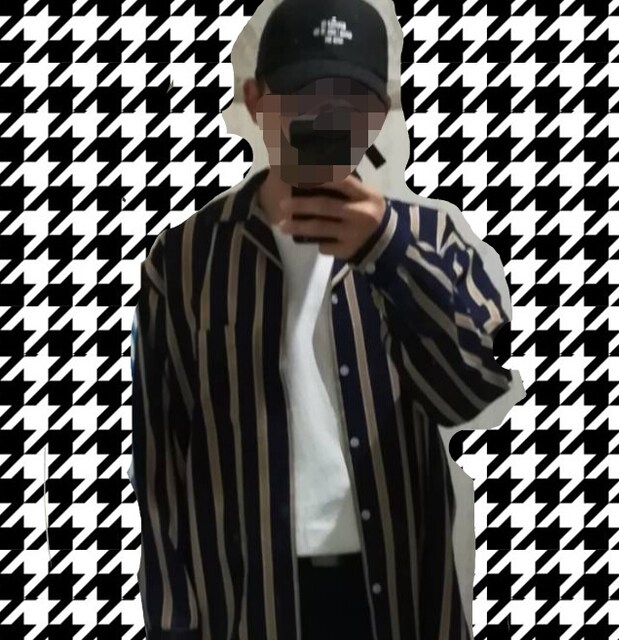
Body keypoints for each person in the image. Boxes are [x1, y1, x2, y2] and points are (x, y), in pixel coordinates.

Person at [130, 0, 514, 638]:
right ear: (256, 101)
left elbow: (472, 393)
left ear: (381, 113)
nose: (325, 117)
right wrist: (171, 623)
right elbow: (159, 455)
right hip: (246, 599)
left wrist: (388, 251)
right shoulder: (184, 258)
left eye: (350, 100)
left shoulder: (434, 239)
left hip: (398, 594)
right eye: (304, 94)